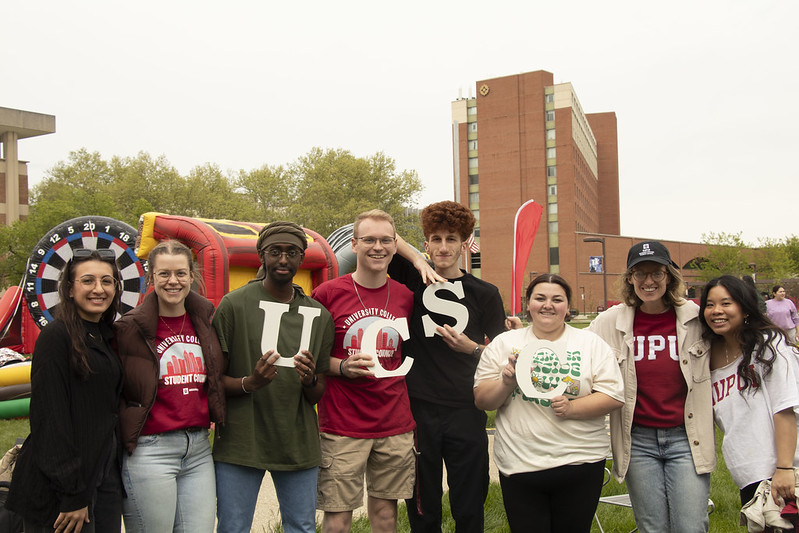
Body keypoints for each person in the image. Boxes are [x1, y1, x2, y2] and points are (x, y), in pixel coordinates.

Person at [388, 200, 507, 532]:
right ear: (426, 243)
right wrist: (416, 260)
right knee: (422, 510)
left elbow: (500, 354)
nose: (443, 247)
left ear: (465, 244)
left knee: (469, 506)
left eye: (451, 239)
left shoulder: (485, 293)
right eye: (435, 239)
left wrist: (472, 348)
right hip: (417, 409)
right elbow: (389, 234)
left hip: (466, 409)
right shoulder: (411, 276)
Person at [474, 274, 623, 533]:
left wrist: (573, 408)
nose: (548, 305)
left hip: (580, 463)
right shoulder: (505, 343)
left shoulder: (590, 344)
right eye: (540, 298)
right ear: (528, 303)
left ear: (567, 306)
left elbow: (612, 395)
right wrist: (506, 384)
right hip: (520, 465)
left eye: (557, 299)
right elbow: (482, 400)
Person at [212, 221, 334, 533]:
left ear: (302, 258)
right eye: (275, 252)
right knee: (233, 527)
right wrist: (249, 383)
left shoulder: (319, 316)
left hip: (296, 442)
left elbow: (316, 393)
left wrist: (308, 381)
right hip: (242, 441)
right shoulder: (234, 305)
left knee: (302, 527)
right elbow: (213, 382)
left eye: (292, 252)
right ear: (262, 256)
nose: (283, 260)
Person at [588, 241, 715, 533]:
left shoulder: (695, 319)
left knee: (691, 526)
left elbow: (733, 333)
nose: (648, 281)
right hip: (639, 442)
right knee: (651, 527)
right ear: (629, 278)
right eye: (640, 273)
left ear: (669, 276)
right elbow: (574, 348)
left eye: (656, 273)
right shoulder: (611, 322)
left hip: (686, 439)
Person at [312, 209, 415, 533]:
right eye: (369, 239)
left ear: (395, 246)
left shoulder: (406, 297)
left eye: (386, 240)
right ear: (354, 245)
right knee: (338, 519)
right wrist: (341, 366)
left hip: (394, 422)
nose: (378, 247)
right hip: (342, 424)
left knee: (386, 516)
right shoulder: (327, 294)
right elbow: (310, 356)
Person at [7, 249, 123, 532]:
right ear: (70, 289)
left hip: (101, 479)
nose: (99, 289)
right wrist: (71, 493)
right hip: (61, 492)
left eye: (107, 281)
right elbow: (49, 420)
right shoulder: (56, 338)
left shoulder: (105, 336)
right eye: (88, 281)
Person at [113, 240, 226, 532]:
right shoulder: (128, 329)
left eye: (180, 273)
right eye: (163, 274)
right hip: (150, 450)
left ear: (192, 276)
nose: (172, 281)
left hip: (199, 448)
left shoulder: (205, 320)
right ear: (151, 278)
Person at [700, 275, 799, 507]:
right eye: (710, 304)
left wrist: (785, 468)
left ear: (744, 309)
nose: (717, 311)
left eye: (726, 303)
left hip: (784, 469)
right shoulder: (706, 356)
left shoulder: (769, 345)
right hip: (747, 472)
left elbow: (785, 408)